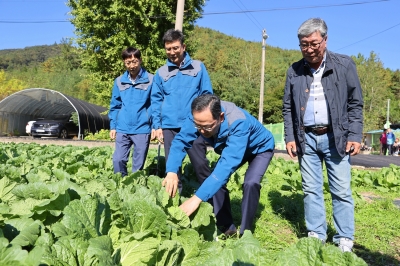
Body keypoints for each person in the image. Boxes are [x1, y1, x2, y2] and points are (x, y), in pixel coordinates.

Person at [282, 18, 364, 252]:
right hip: (305, 137)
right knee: (311, 189)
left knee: (341, 189)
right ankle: (316, 234)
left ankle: (344, 238)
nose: (309, 49)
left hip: (335, 137)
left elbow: (355, 103)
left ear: (325, 40)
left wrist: (355, 135)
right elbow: (287, 107)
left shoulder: (344, 65)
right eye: (303, 44)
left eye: (314, 43)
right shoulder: (294, 71)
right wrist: (290, 136)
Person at [151, 29, 234, 233]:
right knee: (173, 173)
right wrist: (157, 125)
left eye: (175, 48)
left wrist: (199, 121)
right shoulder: (161, 73)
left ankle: (224, 220)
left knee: (202, 168)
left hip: (195, 127)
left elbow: (207, 95)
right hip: (170, 126)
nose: (172, 52)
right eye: (168, 49)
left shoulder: (198, 67)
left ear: (183, 47)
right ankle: (174, 216)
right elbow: (156, 100)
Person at [162, 94, 275, 236]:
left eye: (207, 127)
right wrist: (171, 171)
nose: (202, 131)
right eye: (198, 126)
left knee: (250, 183)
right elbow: (180, 141)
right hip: (236, 148)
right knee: (217, 182)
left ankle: (245, 232)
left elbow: (227, 165)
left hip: (260, 148)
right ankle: (227, 227)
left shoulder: (238, 122)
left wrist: (196, 199)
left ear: (220, 117)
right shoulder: (199, 117)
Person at [108, 47, 153, 176]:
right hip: (123, 127)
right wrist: (113, 126)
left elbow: (155, 104)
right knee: (118, 159)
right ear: (124, 62)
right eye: (128, 62)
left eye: (134, 62)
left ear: (140, 60)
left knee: (137, 165)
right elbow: (115, 105)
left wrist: (156, 126)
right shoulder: (119, 81)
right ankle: (121, 183)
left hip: (142, 128)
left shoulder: (151, 80)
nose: (132, 65)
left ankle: (134, 186)